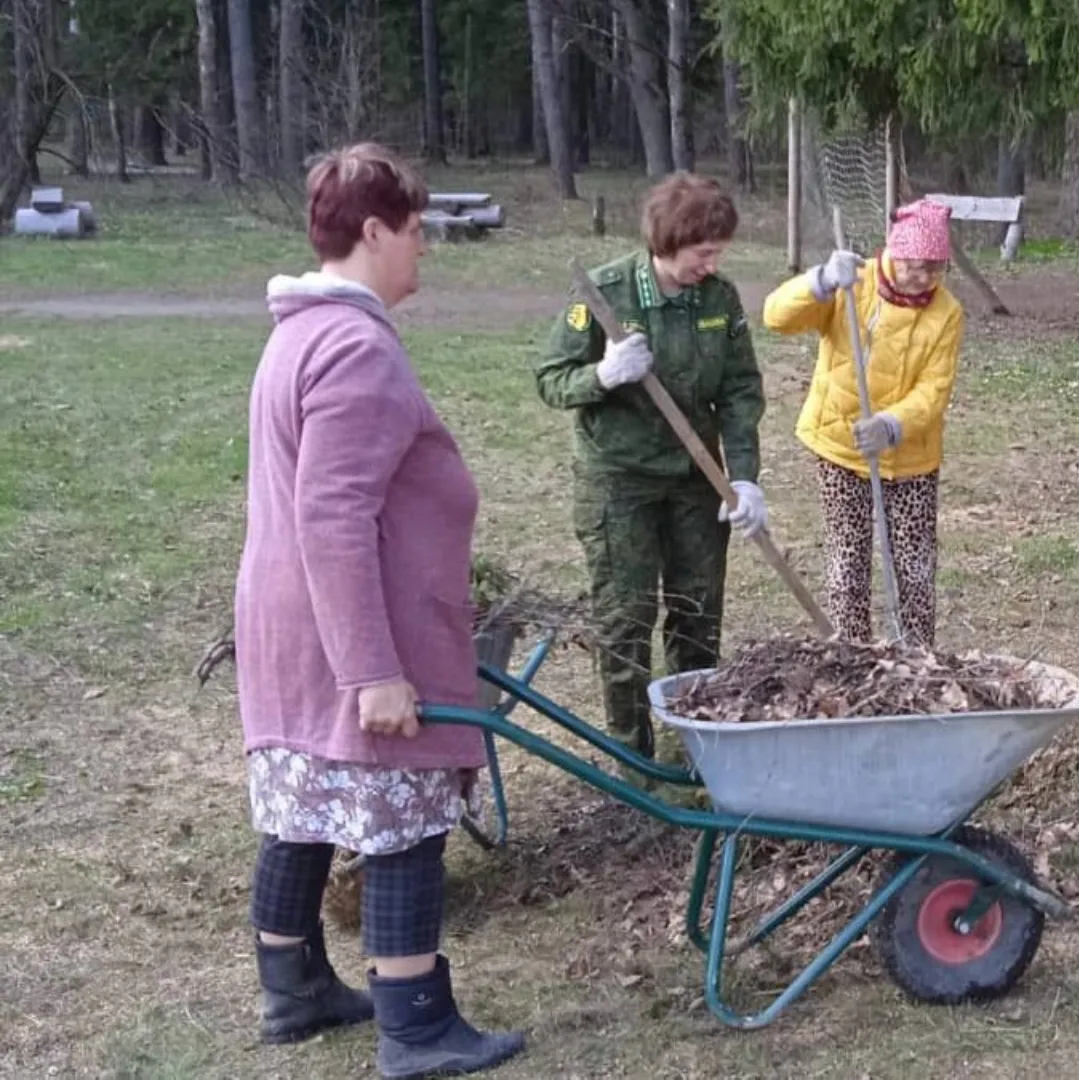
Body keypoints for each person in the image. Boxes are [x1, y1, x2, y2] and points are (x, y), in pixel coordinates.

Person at [234, 143, 524, 1078]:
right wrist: (373, 671)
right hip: (351, 632)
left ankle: (296, 990)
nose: (422, 251)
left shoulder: (298, 332)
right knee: (402, 815)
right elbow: (333, 515)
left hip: (288, 626)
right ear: (372, 231)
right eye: (413, 231)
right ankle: (416, 1024)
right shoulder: (353, 346)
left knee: (307, 806)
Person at [534, 172, 767, 761]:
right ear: (666, 243)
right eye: (702, 253)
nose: (711, 265)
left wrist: (743, 476)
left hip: (695, 478)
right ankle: (632, 756)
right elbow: (550, 380)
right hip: (620, 481)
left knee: (697, 611)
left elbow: (740, 389)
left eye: (719, 253)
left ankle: (697, 742)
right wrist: (603, 375)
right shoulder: (606, 295)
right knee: (626, 616)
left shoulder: (718, 299)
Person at [763, 199, 962, 647]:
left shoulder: (946, 312)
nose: (924, 279)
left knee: (914, 566)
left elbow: (935, 389)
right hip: (841, 447)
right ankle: (850, 655)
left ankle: (915, 659)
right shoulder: (855, 284)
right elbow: (776, 317)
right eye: (916, 267)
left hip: (911, 456)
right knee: (847, 560)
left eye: (935, 269)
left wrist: (893, 424)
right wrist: (819, 282)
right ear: (895, 253)